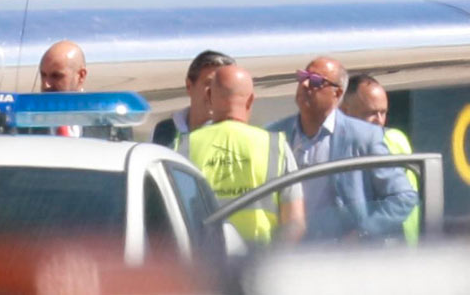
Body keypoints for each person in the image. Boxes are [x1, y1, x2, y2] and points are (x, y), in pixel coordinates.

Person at [266, 57, 417, 242]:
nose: (305, 84)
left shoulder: (363, 136)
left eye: (315, 81)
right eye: (303, 76)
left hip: (343, 260)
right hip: (291, 256)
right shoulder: (273, 135)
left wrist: (364, 232)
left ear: (337, 94)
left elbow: (403, 197)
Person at [175, 64, 305, 244]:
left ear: (209, 97)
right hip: (259, 261)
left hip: (206, 261)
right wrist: (274, 261)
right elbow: (295, 221)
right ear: (250, 100)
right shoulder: (275, 146)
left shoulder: (185, 146)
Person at [341, 74, 419, 244]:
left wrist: (363, 233)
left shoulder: (395, 140)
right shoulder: (336, 147)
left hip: (395, 247)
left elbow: (402, 200)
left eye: (383, 112)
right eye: (371, 113)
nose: (379, 120)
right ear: (345, 112)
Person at [151, 50, 234, 147]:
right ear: (189, 86)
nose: (216, 92)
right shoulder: (163, 132)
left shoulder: (237, 137)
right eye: (209, 83)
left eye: (224, 86)